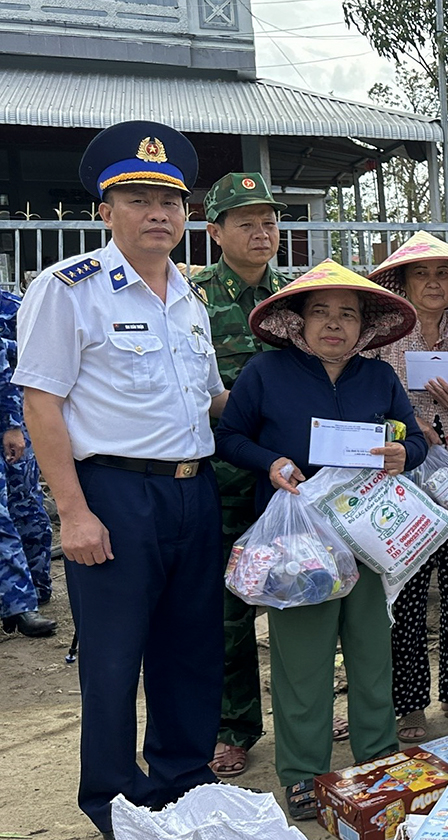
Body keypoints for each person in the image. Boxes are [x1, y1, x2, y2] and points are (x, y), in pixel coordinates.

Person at [14, 121, 225, 839]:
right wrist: (71, 513)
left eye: (170, 199)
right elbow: (41, 400)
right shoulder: (70, 289)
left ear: (186, 214)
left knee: (191, 647)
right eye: (137, 197)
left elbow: (214, 401)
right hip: (114, 495)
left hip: (193, 491)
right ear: (105, 210)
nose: (158, 212)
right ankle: (112, 798)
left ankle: (183, 777)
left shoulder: (190, 301)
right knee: (113, 656)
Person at [215, 260, 425, 821]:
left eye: (348, 315)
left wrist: (407, 454)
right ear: (297, 321)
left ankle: (377, 761)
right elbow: (229, 436)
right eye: (322, 313)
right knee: (302, 664)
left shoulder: (378, 377)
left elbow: (415, 440)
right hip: (297, 548)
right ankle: (304, 773)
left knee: (371, 653)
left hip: (366, 536)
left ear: (365, 327)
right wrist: (271, 461)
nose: (335, 324)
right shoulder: (265, 373)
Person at [366, 231, 448, 741]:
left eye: (442, 273)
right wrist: (404, 424)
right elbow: (367, 403)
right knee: (409, 594)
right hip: (403, 482)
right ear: (403, 283)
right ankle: (409, 704)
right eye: (421, 274)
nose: (432, 283)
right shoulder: (382, 342)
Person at [190, 171, 298, 780]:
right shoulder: (194, 298)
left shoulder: (298, 296)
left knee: (302, 596)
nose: (262, 233)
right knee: (228, 616)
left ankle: (303, 713)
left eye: (269, 221)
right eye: (246, 222)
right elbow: (194, 390)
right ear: (216, 231)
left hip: (295, 483)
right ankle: (234, 728)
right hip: (226, 482)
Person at [0, 288, 55, 637]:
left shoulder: (14, 304)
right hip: (15, 419)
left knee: (23, 505)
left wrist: (11, 424)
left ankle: (29, 593)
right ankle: (23, 599)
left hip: (13, 419)